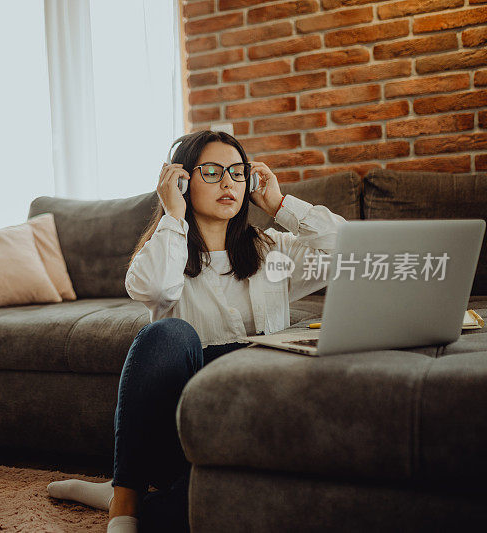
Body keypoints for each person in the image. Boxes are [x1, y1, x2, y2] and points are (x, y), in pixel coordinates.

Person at [47, 130, 347, 532]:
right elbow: (153, 288)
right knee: (168, 335)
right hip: (182, 429)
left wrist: (279, 204)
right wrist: (172, 215)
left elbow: (356, 254)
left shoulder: (275, 252)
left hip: (247, 426)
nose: (228, 182)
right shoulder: (164, 252)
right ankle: (124, 502)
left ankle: (132, 494)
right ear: (183, 181)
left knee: (213, 512)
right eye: (212, 171)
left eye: (238, 172)